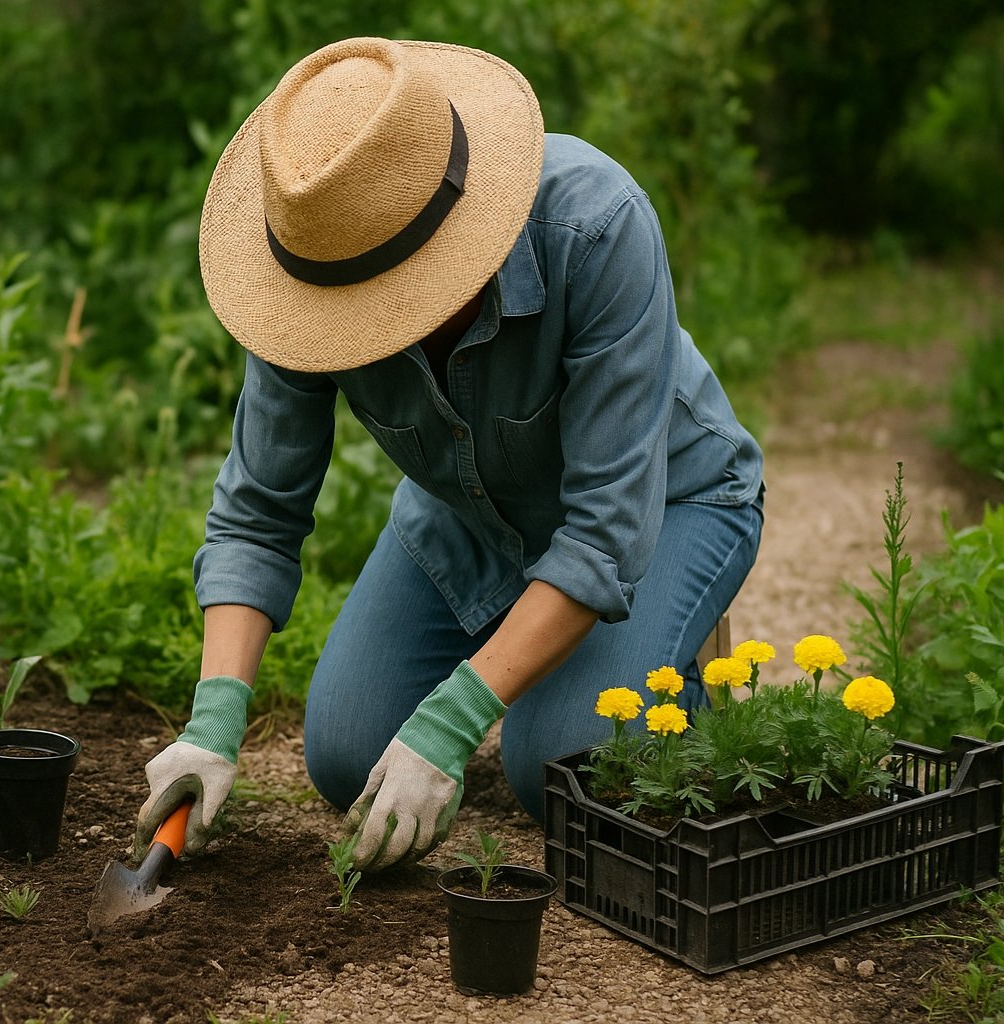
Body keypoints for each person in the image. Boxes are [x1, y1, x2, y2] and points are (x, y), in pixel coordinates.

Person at [134, 37, 764, 872]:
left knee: (557, 773)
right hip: (467, 515)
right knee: (346, 759)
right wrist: (212, 722)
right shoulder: (309, 267)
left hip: (668, 501)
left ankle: (674, 677)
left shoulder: (596, 226)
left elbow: (607, 532)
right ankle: (540, 652)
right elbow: (257, 514)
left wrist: (451, 721)